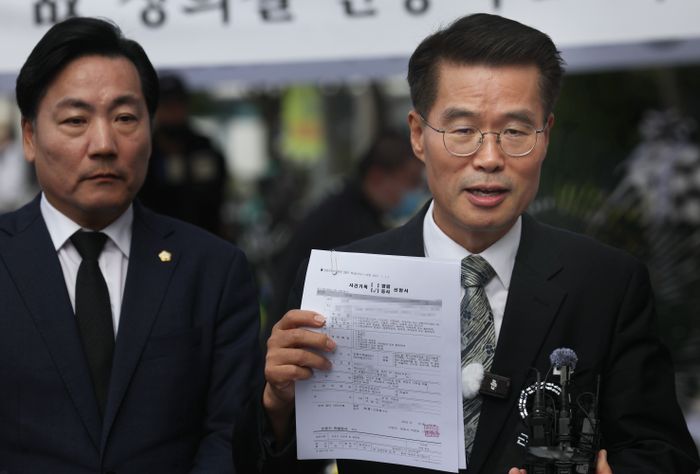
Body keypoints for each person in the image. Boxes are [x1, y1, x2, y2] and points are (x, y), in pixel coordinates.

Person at [236, 13, 700, 474]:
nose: (490, 157)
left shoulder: (606, 284)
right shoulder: (340, 282)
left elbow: (662, 453)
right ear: (418, 135)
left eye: (515, 131)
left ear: (545, 136)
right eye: (462, 131)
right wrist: (277, 403)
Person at [0, 17, 260, 473]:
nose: (104, 144)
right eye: (76, 120)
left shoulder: (213, 271)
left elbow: (229, 432)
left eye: (124, 118)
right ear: (30, 137)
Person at [266, 129, 425, 339]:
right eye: (411, 181)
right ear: (377, 177)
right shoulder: (349, 225)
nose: (417, 191)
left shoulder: (348, 208)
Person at [139, 74, 228, 236]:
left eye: (177, 104)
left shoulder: (204, 148)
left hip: (204, 235)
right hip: (157, 237)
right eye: (167, 105)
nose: (173, 112)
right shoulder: (144, 152)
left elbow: (218, 193)